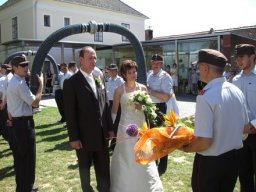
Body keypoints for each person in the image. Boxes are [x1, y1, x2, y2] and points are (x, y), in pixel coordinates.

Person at [181, 49, 251, 192]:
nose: (198, 71)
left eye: (199, 67)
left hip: (210, 164)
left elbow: (204, 142)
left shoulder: (205, 96)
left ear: (206, 68)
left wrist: (184, 147)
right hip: (232, 160)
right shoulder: (236, 91)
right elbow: (245, 129)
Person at [63, 46, 114, 192]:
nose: (94, 61)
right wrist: (74, 138)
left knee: (104, 168)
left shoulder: (99, 78)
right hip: (84, 137)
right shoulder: (72, 82)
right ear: (81, 60)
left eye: (95, 58)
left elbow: (105, 105)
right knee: (85, 169)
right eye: (90, 58)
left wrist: (110, 128)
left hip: (102, 134)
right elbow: (70, 113)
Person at [110, 59, 163, 192]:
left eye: (134, 71)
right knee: (126, 157)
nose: (133, 74)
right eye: (130, 72)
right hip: (125, 129)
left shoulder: (143, 88)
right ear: (124, 74)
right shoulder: (119, 91)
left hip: (140, 128)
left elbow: (148, 108)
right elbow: (114, 112)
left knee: (144, 155)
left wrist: (143, 107)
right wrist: (112, 130)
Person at [7, 54, 43, 192]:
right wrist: (41, 84)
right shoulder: (20, 83)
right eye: (22, 65)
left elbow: (11, 108)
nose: (26, 67)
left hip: (17, 123)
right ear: (15, 68)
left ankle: (23, 187)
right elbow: (35, 103)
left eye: (26, 64)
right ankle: (27, 188)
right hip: (24, 124)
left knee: (20, 158)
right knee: (28, 159)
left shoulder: (14, 81)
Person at [232, 44, 256, 192]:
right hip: (241, 135)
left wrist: (253, 125)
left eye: (241, 57)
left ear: (252, 56)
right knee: (244, 176)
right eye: (237, 57)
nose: (238, 60)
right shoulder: (235, 80)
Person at [147, 54, 173, 176]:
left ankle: (162, 166)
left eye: (158, 63)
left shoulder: (165, 77)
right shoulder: (149, 75)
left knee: (161, 138)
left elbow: (166, 96)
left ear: (162, 64)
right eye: (154, 63)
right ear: (151, 63)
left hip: (160, 109)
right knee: (152, 137)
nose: (156, 65)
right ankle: (154, 162)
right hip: (149, 108)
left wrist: (150, 91)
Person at [106, 63, 124, 150]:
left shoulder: (120, 80)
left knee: (116, 123)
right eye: (111, 70)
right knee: (111, 122)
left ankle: (114, 143)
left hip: (117, 103)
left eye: (114, 70)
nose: (113, 72)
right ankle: (112, 141)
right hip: (109, 103)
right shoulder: (109, 79)